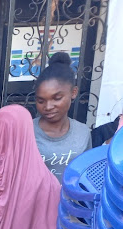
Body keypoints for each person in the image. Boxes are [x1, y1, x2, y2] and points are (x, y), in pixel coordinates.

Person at [33, 52, 92, 180]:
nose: (48, 107)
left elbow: (87, 173)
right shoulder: (27, 131)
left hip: (71, 200)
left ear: (73, 92)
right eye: (41, 101)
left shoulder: (83, 132)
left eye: (57, 98)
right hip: (33, 200)